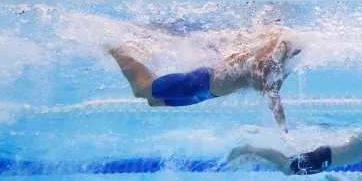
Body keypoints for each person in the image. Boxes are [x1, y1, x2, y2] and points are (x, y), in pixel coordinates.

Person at [108, 35, 299, 132]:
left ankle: (144, 63)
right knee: (141, 90)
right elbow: (253, 69)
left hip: (208, 93)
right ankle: (115, 48)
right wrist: (270, 96)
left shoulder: (287, 60)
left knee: (154, 101)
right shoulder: (280, 45)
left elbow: (271, 88)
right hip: (199, 83)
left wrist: (283, 128)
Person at [226, 131, 362, 175]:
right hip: (325, 159)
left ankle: (251, 158)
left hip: (326, 159)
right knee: (286, 164)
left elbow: (353, 139)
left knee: (286, 169)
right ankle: (247, 149)